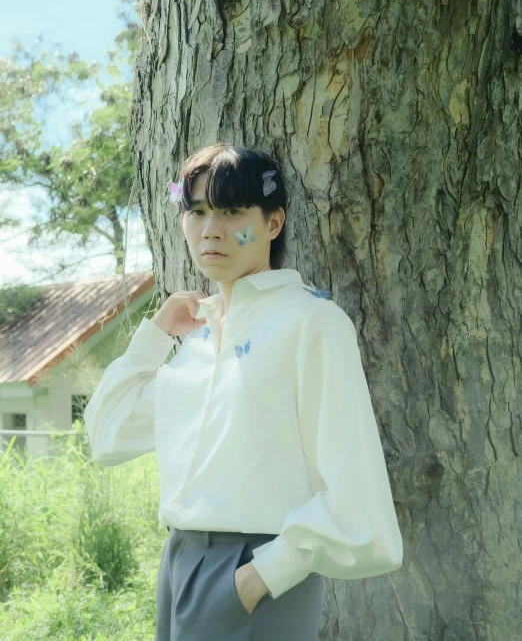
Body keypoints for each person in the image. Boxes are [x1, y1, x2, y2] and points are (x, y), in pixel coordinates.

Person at [83, 143, 403, 641]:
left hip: (254, 575)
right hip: (179, 565)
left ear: (273, 223)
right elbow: (107, 438)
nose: (211, 229)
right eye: (197, 211)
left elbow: (357, 495)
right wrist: (154, 336)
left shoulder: (311, 323)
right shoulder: (197, 338)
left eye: (232, 212)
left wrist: (256, 579)